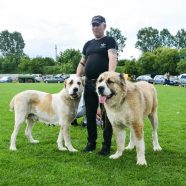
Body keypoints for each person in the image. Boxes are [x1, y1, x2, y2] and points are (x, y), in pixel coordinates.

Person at [76, 15, 118, 155]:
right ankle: (91, 143)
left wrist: (110, 75)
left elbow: (112, 57)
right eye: (93, 25)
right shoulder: (87, 44)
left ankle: (106, 146)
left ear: (104, 26)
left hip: (103, 86)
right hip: (88, 84)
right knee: (89, 113)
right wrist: (77, 77)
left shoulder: (109, 41)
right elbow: (82, 62)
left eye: (97, 25)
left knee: (106, 115)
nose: (95, 27)